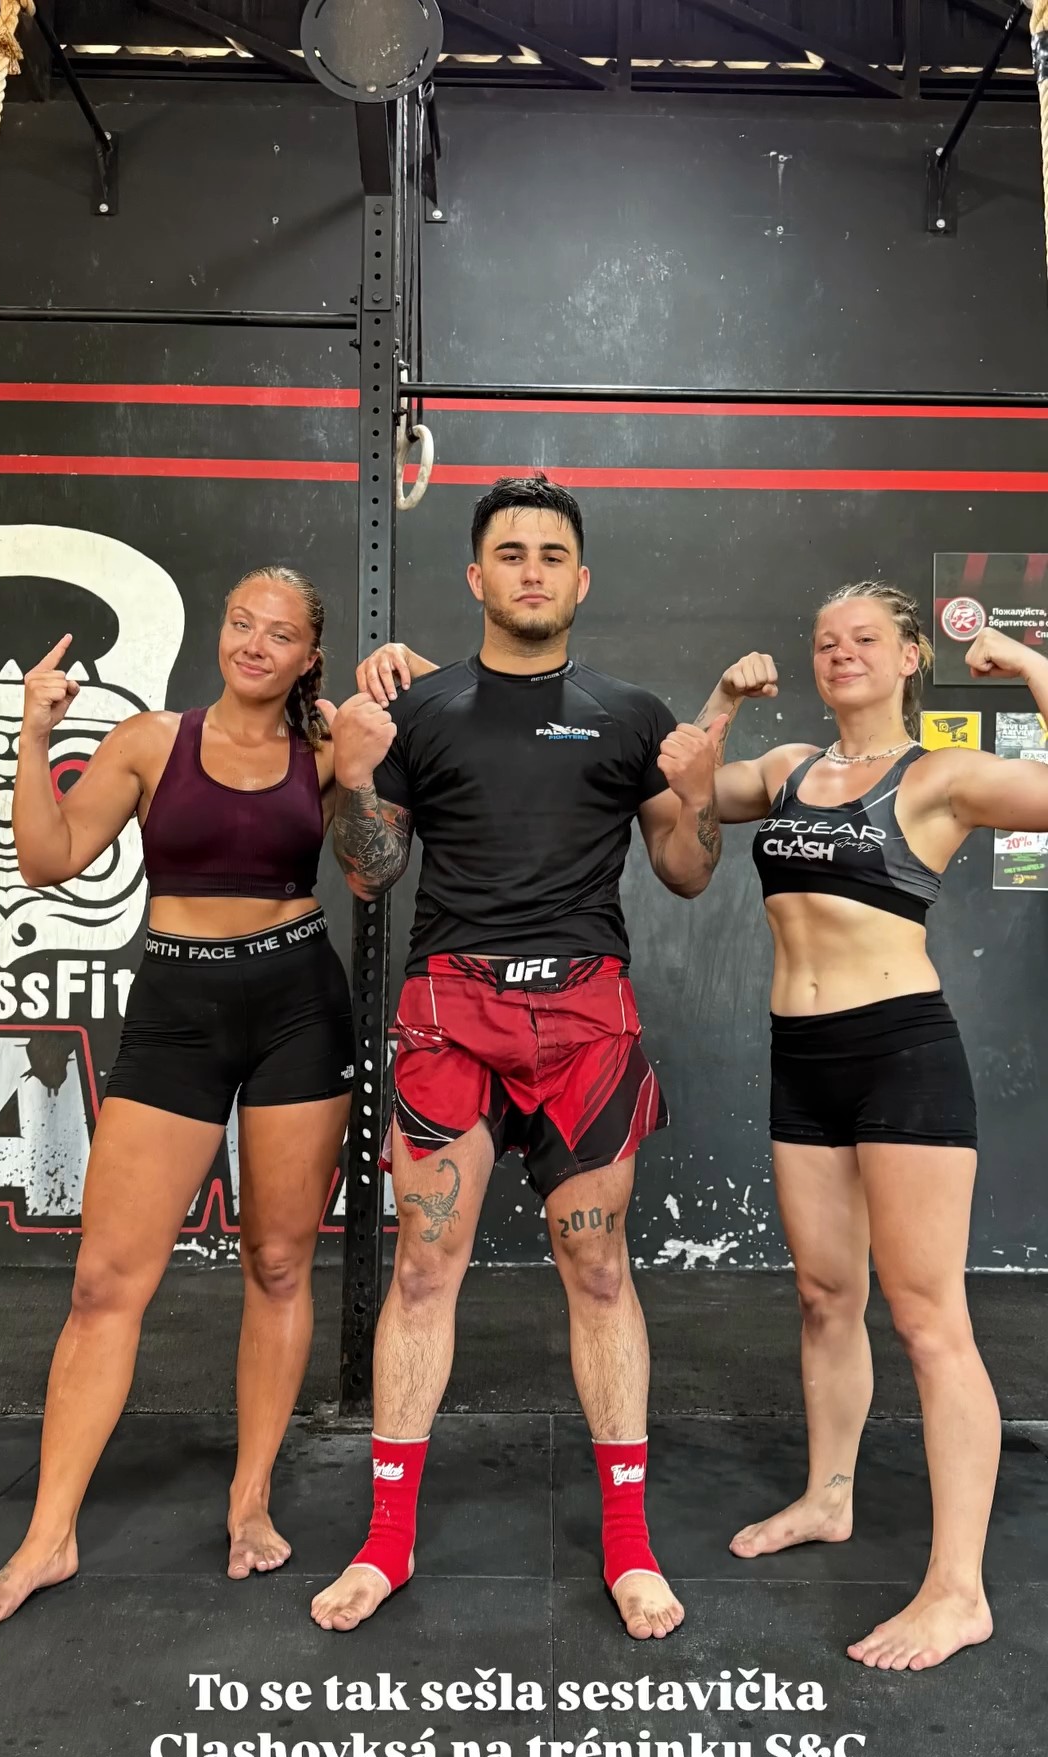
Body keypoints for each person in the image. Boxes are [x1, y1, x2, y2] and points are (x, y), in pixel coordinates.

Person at [310, 472, 772, 1641]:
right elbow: (370, 871)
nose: (531, 570)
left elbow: (686, 871)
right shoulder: (419, 711)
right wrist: (354, 774)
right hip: (448, 1008)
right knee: (425, 1269)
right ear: (477, 576)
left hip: (585, 1016)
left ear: (581, 579)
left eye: (551, 554)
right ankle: (385, 1542)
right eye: (510, 553)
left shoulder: (629, 713)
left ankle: (630, 1545)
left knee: (601, 1271)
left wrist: (696, 797)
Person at [0, 566, 354, 1632]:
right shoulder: (149, 741)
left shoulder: (326, 748)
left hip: (298, 1003)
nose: (254, 644)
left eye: (280, 633)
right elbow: (46, 858)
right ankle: (47, 1537)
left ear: (308, 656)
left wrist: (368, 760)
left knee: (278, 1263)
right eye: (241, 623)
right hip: (179, 1006)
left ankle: (250, 1501)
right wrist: (35, 735)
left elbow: (372, 867)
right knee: (104, 1282)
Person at [708, 582, 1048, 1672]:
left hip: (901, 1051)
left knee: (928, 1318)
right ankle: (828, 1495)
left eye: (864, 639)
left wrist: (1027, 666)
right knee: (825, 1296)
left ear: (909, 657)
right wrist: (720, 704)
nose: (840, 652)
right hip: (801, 1059)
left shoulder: (939, 777)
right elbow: (678, 791)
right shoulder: (786, 768)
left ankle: (959, 1590)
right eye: (825, 640)